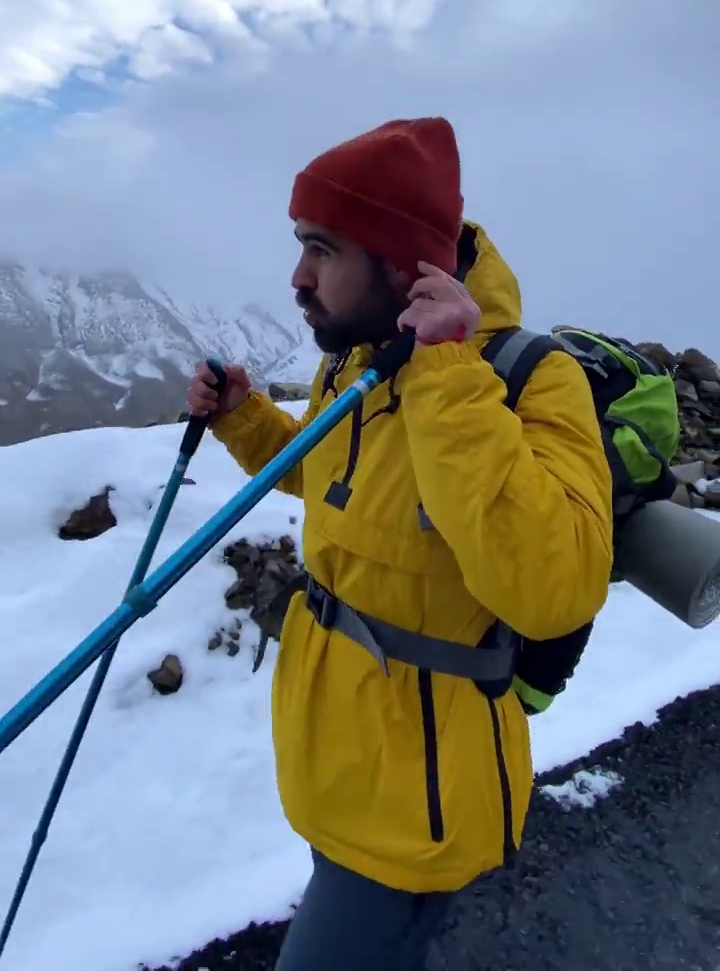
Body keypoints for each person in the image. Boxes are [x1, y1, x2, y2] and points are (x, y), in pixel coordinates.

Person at [186, 116, 614, 970]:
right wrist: (244, 419)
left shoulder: (527, 378)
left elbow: (556, 586)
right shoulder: (356, 359)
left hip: (421, 793)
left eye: (322, 248)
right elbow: (336, 484)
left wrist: (448, 377)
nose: (298, 278)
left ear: (399, 262)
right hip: (340, 754)